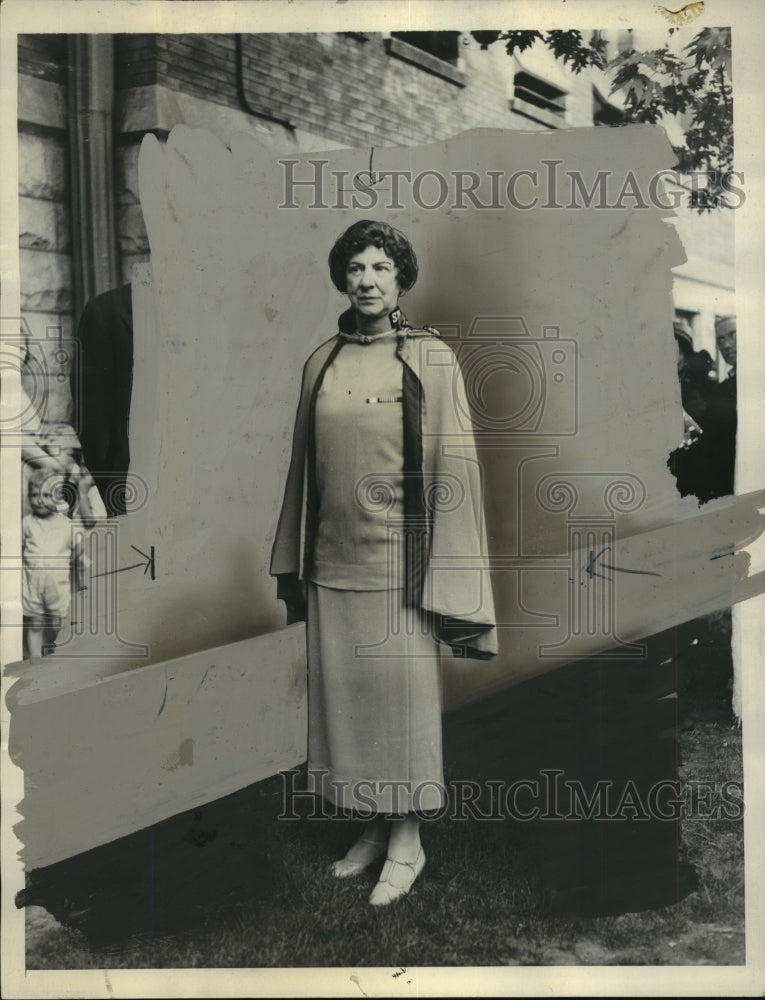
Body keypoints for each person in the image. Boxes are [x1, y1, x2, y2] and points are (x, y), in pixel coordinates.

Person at [270, 219, 497, 906]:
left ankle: (407, 841)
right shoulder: (321, 360)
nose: (366, 280)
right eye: (355, 268)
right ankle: (373, 829)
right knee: (354, 706)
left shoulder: (427, 358)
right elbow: (301, 470)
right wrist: (294, 558)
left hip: (401, 565)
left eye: (379, 268)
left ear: (400, 279)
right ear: (342, 278)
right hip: (332, 561)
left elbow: (453, 467)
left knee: (400, 708)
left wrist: (446, 570)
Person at [22, 468, 88, 659]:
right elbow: (18, 550)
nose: (40, 500)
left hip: (58, 585)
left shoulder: (67, 525)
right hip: (33, 585)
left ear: (58, 497)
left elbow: (78, 551)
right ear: (28, 496)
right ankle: (34, 661)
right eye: (34, 495)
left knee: (59, 624)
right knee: (35, 623)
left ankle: (58, 657)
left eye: (46, 495)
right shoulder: (27, 523)